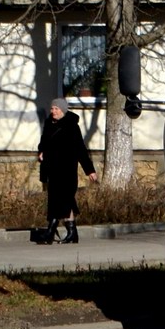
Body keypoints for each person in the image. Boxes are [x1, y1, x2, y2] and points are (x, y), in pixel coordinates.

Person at [37, 98, 98, 243]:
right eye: (52, 109)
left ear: (63, 110)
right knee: (62, 200)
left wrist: (89, 170)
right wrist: (41, 151)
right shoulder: (49, 124)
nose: (53, 112)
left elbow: (81, 150)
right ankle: (72, 232)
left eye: (56, 109)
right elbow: (43, 141)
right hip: (52, 168)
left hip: (67, 169)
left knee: (62, 199)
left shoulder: (71, 126)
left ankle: (51, 231)